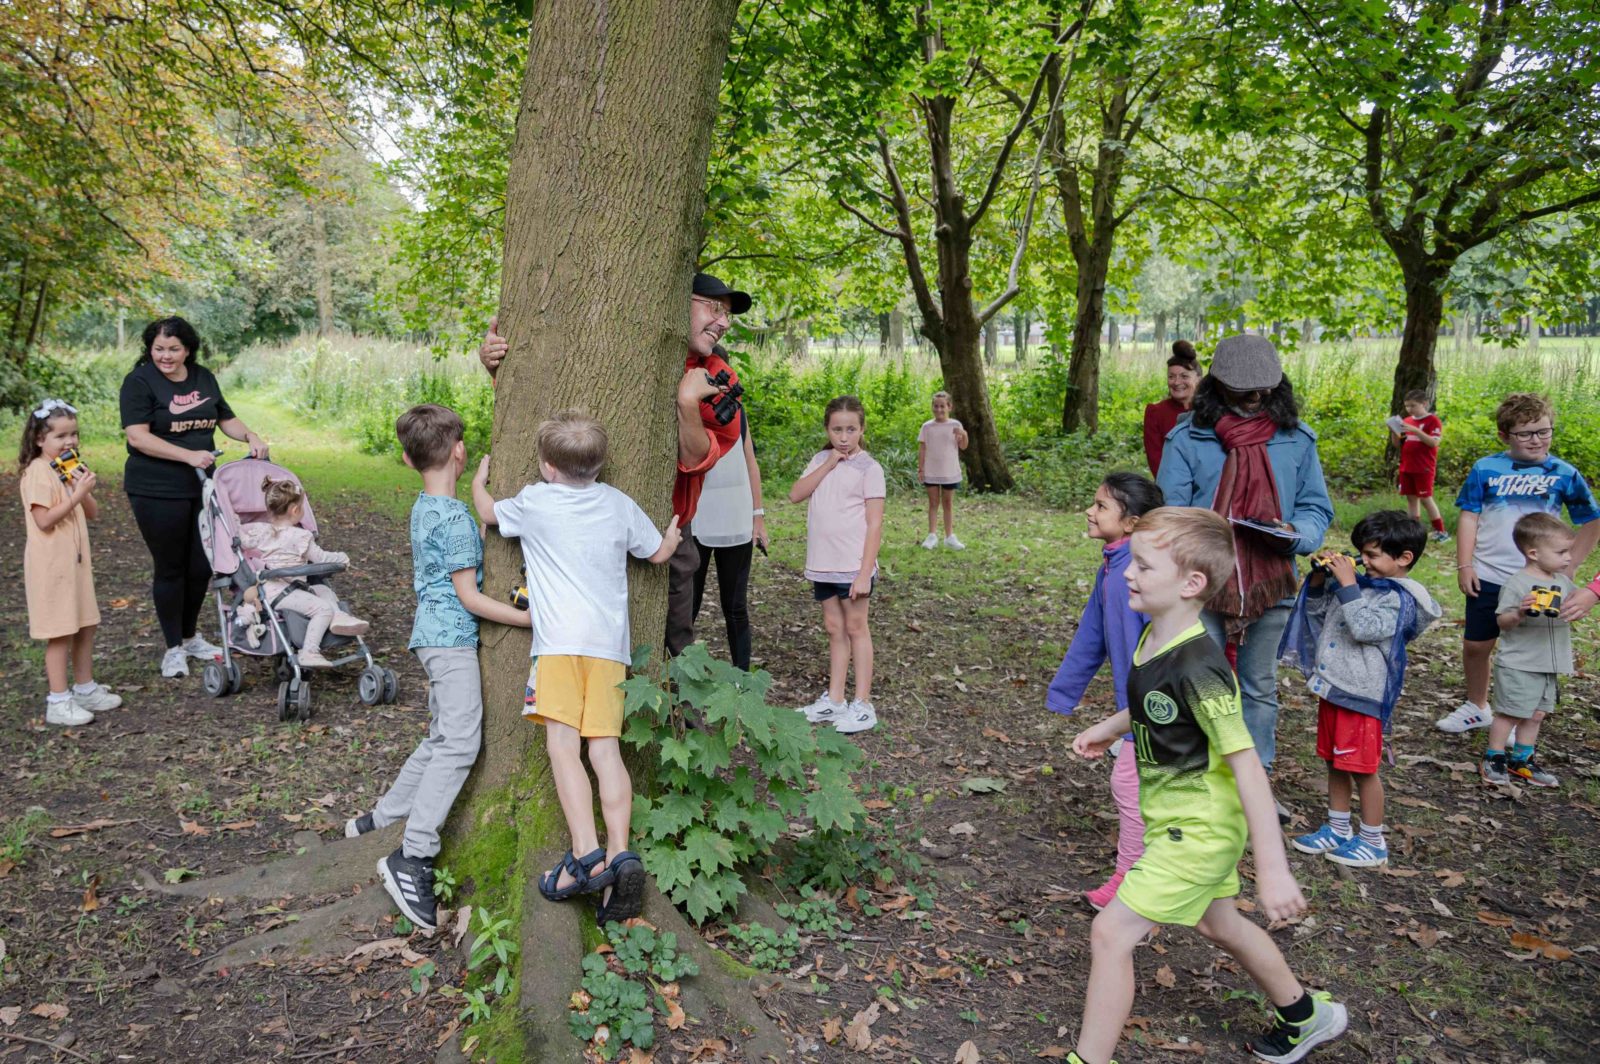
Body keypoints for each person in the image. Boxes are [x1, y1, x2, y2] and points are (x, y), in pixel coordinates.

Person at [1067, 507, 1346, 1064]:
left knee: (1111, 933)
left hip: (1197, 829)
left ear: (1192, 583)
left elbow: (1246, 765)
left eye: (1144, 566)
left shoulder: (1201, 667)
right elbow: (1152, 703)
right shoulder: (1156, 635)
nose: (1129, 573)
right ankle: (1305, 1015)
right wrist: (1110, 726)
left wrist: (1272, 867)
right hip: (1176, 819)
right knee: (1220, 923)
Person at [473, 411, 681, 924]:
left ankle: (587, 853)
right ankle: (620, 853)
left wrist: (478, 481)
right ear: (603, 463)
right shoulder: (618, 503)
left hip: (560, 646)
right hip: (610, 648)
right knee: (606, 751)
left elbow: (490, 513)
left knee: (563, 747)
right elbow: (657, 554)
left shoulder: (536, 502)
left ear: (546, 466)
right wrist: (674, 534)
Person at [479, 272, 749, 657]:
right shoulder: (624, 341)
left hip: (663, 530)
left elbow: (696, 460)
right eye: (713, 307)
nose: (723, 322)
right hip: (564, 522)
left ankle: (677, 717)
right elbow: (545, 400)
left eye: (727, 314)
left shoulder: (720, 376)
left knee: (673, 645)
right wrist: (499, 371)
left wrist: (688, 403)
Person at [346, 404, 531, 932]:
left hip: (432, 636)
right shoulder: (449, 520)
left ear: (407, 459)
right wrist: (528, 621)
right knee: (460, 743)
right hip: (450, 642)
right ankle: (414, 854)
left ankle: (379, 819)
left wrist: (475, 489)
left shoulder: (426, 506)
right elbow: (469, 598)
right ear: (460, 450)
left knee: (440, 736)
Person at [1156, 335, 1333, 787]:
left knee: (1258, 686)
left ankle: (1255, 782)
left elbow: (1315, 507)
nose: (1255, 396)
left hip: (1272, 580)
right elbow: (1169, 510)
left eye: (1263, 388)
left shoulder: (1297, 438)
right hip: (1204, 582)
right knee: (1203, 684)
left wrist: (1297, 534)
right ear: (1217, 385)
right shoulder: (1187, 436)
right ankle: (1203, 779)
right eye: (1243, 388)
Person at [1284, 512, 1440, 870]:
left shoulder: (1401, 597)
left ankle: (1373, 840)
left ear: (1404, 558)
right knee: (1335, 760)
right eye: (1361, 554)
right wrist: (1323, 581)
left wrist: (1349, 584)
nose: (1362, 562)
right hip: (1336, 687)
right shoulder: (1362, 585)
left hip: (1363, 694)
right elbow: (1318, 613)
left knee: (1363, 769)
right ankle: (1338, 828)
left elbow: (1366, 628)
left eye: (1371, 555)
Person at [1437, 393, 1600, 735]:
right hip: (1489, 574)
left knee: (1526, 651)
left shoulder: (1563, 473)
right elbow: (1469, 515)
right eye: (1525, 433)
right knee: (1477, 644)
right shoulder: (1486, 468)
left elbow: (1592, 520)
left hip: (1536, 580)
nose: (1537, 440)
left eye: (1544, 431)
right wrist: (1465, 565)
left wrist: (1571, 566)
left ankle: (1515, 715)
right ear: (1504, 435)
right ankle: (1477, 705)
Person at [121, 317, 269, 679]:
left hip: (204, 486)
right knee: (171, 567)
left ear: (187, 349)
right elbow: (138, 437)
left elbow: (224, 418)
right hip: (156, 488)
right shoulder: (139, 382)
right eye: (158, 349)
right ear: (149, 349)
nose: (165, 356)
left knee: (202, 566)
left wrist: (249, 435)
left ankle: (191, 637)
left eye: (173, 349)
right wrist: (187, 456)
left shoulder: (203, 377)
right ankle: (173, 648)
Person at [1045, 472, 1164, 909]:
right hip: (1135, 706)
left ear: (1131, 522)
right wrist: (1064, 692)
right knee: (1141, 788)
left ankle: (1131, 880)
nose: (1089, 512)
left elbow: (1166, 639)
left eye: (1100, 507)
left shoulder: (1139, 571)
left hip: (1154, 705)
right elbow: (1091, 635)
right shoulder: (1114, 563)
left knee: (1129, 785)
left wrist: (1144, 709)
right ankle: (1152, 874)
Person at [18, 399, 123, 726]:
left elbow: (92, 513)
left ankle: (85, 688)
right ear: (39, 440)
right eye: (60, 436)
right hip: (51, 567)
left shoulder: (64, 467)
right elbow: (44, 520)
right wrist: (74, 496)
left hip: (76, 565)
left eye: (73, 435)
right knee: (60, 631)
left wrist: (81, 487)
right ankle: (58, 700)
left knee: (85, 623)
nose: (70, 442)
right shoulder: (37, 472)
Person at [790, 396, 885, 735]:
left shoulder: (870, 468)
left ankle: (862, 704)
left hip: (852, 566)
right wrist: (828, 464)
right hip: (823, 563)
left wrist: (864, 572)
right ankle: (835, 699)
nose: (844, 437)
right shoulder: (820, 459)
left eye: (851, 429)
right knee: (834, 628)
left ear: (861, 430)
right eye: (837, 429)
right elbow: (796, 494)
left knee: (857, 627)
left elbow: (874, 524)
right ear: (827, 429)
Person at [1479, 513, 1576, 789]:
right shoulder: (1517, 583)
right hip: (1520, 663)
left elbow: (1574, 605)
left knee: (1536, 714)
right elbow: (1502, 621)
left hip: (1548, 662)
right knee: (1510, 712)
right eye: (1561, 552)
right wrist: (1520, 611)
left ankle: (1522, 760)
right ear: (1533, 553)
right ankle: (1494, 756)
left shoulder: (1562, 582)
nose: (1568, 557)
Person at [238, 477, 370, 668]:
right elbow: (321, 558)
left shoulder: (262, 531)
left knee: (323, 591)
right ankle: (309, 651)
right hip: (285, 592)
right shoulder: (300, 537)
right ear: (295, 510)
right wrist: (341, 558)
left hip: (273, 591)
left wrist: (236, 526)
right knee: (322, 608)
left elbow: (244, 543)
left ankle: (339, 617)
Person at [691, 401, 768, 671]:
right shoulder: (688, 410)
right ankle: (677, 675)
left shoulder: (737, 411)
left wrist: (758, 515)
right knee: (689, 604)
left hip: (737, 517)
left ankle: (743, 677)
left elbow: (751, 463)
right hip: (698, 517)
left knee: (735, 606)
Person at [1392, 389, 1447, 542]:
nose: (1410, 409)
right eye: (1407, 406)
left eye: (1413, 406)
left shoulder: (1432, 421)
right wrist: (1393, 430)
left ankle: (1440, 531)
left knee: (1425, 498)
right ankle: (1413, 531)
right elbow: (1398, 444)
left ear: (1424, 404)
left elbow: (1434, 442)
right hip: (1407, 466)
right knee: (1411, 499)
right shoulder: (1407, 421)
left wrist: (1416, 430)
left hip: (1423, 467)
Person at [918, 390, 968, 549]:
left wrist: (964, 434)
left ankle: (949, 536)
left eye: (942, 406)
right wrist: (921, 469)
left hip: (950, 472)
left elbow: (963, 446)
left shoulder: (955, 425)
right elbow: (922, 449)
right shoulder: (927, 427)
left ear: (949, 407)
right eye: (936, 406)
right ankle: (932, 536)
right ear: (932, 407)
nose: (939, 409)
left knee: (947, 503)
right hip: (931, 471)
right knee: (933, 503)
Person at [1143, 341, 1200, 477]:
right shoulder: (1155, 413)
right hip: (1170, 488)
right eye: (1171, 377)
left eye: (1184, 376)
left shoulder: (1211, 411)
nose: (1176, 382)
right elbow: (1156, 462)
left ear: (1198, 379)